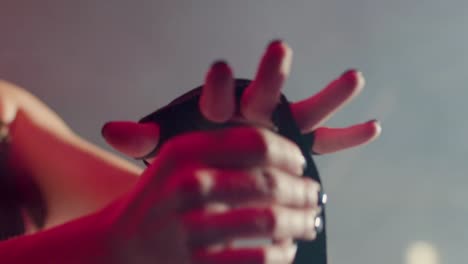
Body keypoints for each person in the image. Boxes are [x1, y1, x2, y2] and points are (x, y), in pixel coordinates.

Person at [0, 40, 381, 263]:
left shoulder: (6, 111)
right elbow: (127, 232)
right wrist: (108, 246)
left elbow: (148, 218)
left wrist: (233, 170)